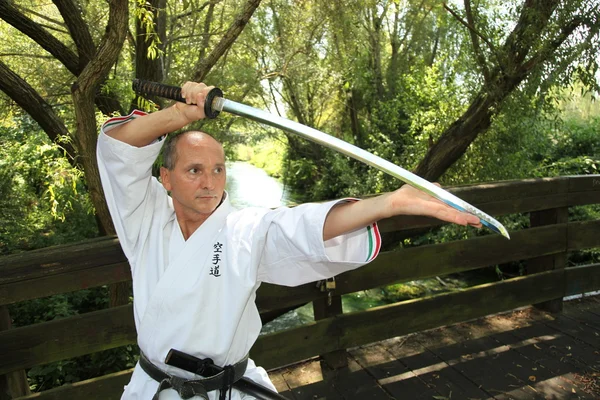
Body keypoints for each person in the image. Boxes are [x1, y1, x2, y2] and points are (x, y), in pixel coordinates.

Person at [96, 81, 481, 400]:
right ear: (165, 178)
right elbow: (119, 153)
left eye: (217, 169)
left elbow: (301, 227)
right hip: (155, 390)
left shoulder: (242, 230)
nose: (210, 182)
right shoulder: (144, 219)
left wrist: (387, 203)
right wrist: (179, 115)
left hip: (225, 391)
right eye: (194, 170)